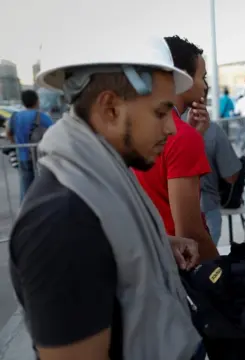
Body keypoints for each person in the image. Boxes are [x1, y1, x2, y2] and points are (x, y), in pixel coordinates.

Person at [10, 34, 202, 359]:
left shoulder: (103, 172)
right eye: (160, 112)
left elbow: (105, 246)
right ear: (110, 108)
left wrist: (156, 244)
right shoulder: (62, 224)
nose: (171, 127)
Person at [134, 35, 219, 262]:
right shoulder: (182, 137)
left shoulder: (137, 130)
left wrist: (194, 136)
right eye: (202, 77)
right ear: (181, 78)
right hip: (182, 266)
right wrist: (224, 277)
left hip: (152, 260)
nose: (204, 85)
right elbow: (190, 233)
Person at [6, 89, 54, 200]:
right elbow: (54, 133)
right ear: (37, 101)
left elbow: (9, 133)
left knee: (25, 188)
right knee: (41, 187)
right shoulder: (42, 117)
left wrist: (15, 143)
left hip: (22, 157)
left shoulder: (14, 117)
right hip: (40, 157)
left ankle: (25, 212)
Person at [201, 120, 242, 245]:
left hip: (164, 213)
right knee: (206, 261)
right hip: (206, 208)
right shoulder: (212, 130)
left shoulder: (160, 127)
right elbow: (231, 176)